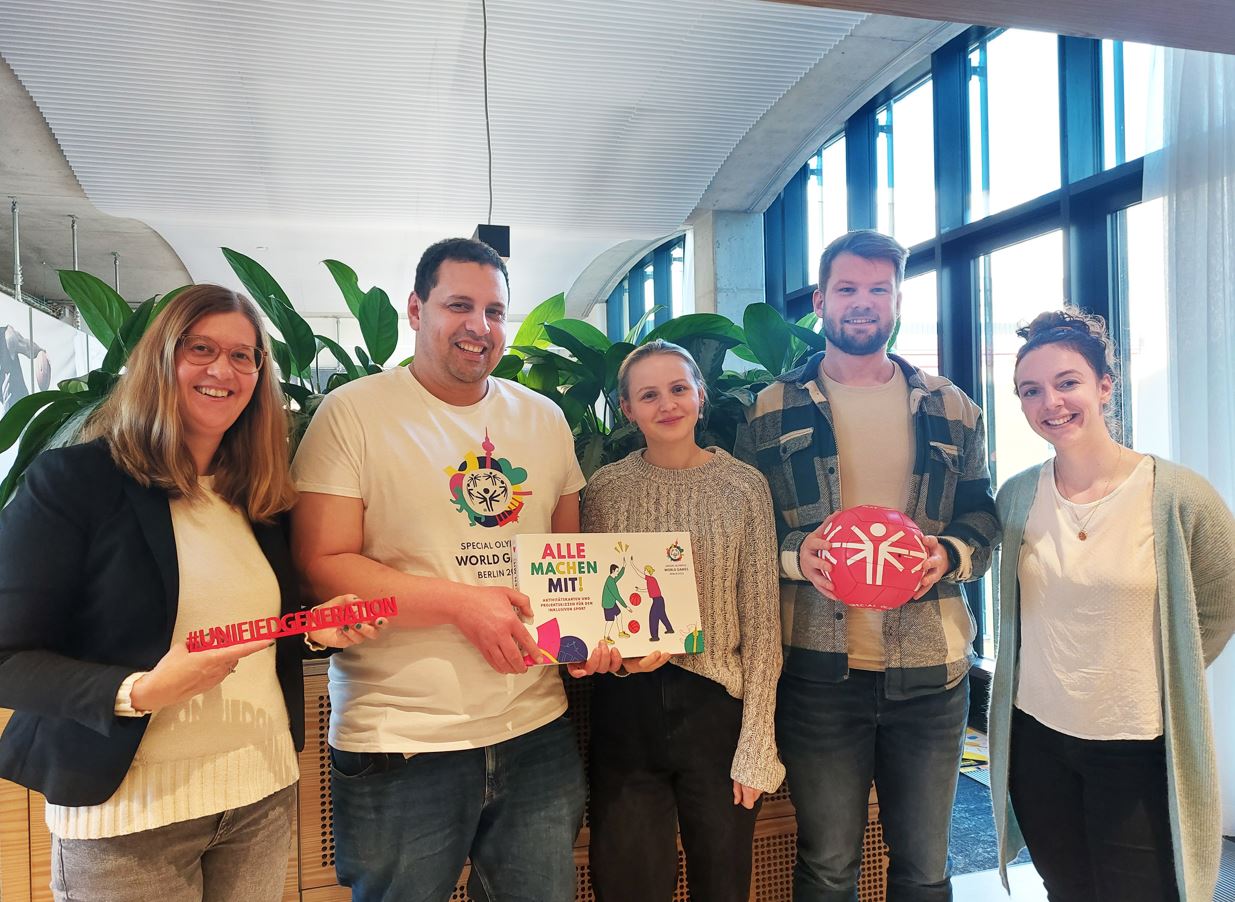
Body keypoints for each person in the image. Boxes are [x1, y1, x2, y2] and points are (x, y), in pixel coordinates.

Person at [0, 284, 376, 902]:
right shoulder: (74, 482)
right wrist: (139, 691)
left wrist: (314, 630)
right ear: (159, 359)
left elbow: (252, 632)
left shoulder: (258, 496)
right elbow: (8, 657)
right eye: (200, 348)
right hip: (128, 818)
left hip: (259, 795)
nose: (222, 370)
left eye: (243, 355)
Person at [291, 237, 617, 902]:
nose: (480, 326)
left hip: (534, 729)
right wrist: (463, 604)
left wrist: (593, 638)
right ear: (416, 309)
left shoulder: (544, 420)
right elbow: (322, 566)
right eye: (459, 305)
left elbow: (569, 565)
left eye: (495, 311)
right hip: (402, 737)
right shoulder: (353, 413)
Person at [736, 229, 1000, 901]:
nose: (863, 302)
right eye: (848, 288)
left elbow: (982, 517)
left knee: (924, 866)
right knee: (828, 866)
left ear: (897, 301)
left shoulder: (951, 406)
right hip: (818, 675)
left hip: (931, 675)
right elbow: (742, 529)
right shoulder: (770, 408)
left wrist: (948, 553)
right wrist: (795, 555)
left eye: (878, 289)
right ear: (820, 301)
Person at [989, 309, 1235, 902]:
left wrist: (1158, 672)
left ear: (1105, 385)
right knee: (1066, 889)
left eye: (1067, 382)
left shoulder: (1177, 495)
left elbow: (1220, 603)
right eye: (1031, 390)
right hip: (1036, 739)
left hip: (1134, 741)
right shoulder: (1017, 496)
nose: (1050, 402)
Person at [581, 339, 783, 902]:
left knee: (722, 885)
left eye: (678, 389)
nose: (666, 404)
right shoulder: (604, 490)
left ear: (700, 395)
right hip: (626, 711)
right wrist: (611, 657)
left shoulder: (744, 487)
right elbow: (594, 605)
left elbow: (763, 626)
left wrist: (757, 743)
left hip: (717, 712)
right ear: (628, 410)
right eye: (648, 395)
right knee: (627, 883)